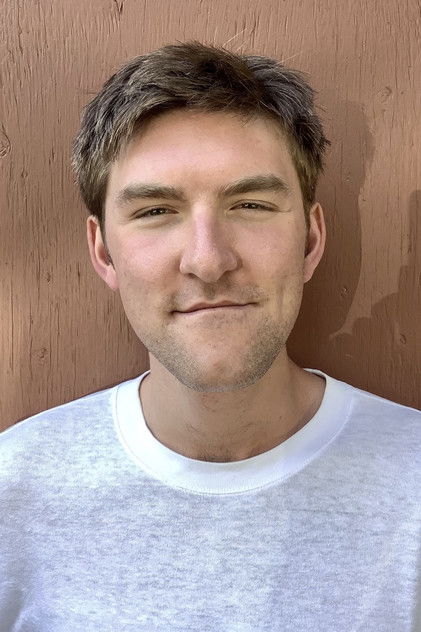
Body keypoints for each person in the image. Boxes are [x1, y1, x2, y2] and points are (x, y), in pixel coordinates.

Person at [1, 40, 420, 632]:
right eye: (155, 211)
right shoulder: (14, 493)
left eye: (250, 204)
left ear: (310, 241)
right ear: (104, 253)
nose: (208, 260)